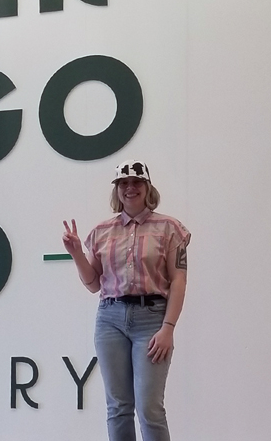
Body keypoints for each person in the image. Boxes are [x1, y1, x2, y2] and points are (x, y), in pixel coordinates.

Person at [61, 159, 190, 441]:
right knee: (118, 407)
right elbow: (93, 284)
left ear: (147, 187)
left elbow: (179, 280)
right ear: (117, 190)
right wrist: (76, 254)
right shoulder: (101, 232)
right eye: (123, 183)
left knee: (150, 408)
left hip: (152, 319)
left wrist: (168, 327)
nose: (130, 188)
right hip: (110, 320)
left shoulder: (169, 229)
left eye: (136, 183)